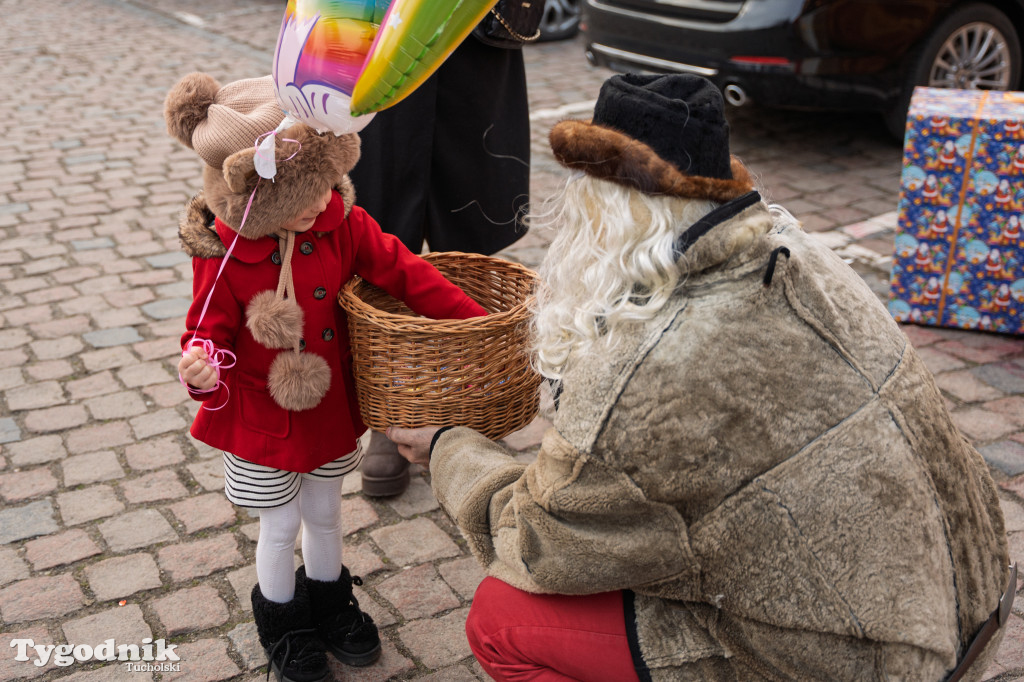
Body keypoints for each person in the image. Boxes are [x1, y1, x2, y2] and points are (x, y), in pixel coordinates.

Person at [386, 74, 1015, 681]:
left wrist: (446, 445)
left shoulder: (644, 368)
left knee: (502, 618)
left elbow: (537, 545)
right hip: (973, 597)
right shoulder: (805, 254)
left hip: (859, 662)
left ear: (604, 210)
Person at [164, 72, 487, 682]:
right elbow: (205, 332)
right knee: (279, 522)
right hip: (265, 416)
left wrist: (474, 324)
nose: (326, 200)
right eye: (308, 191)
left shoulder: (340, 220)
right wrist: (203, 369)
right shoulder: (228, 254)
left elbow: (404, 270)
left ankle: (332, 600)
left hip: (330, 405)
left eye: (326, 183)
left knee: (326, 512)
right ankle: (283, 620)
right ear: (265, 194)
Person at [349, 31, 531, 497]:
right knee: (379, 216)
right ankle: (394, 414)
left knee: (473, 208)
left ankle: (473, 401)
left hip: (471, 24)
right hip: (377, 25)